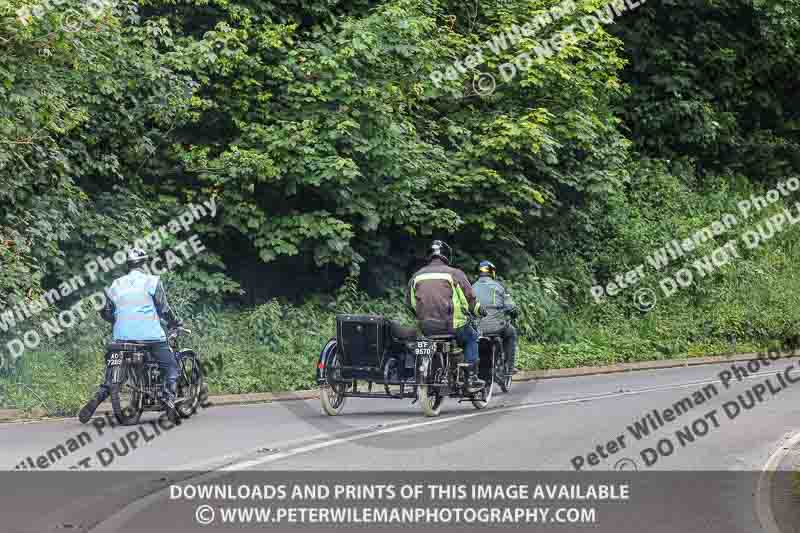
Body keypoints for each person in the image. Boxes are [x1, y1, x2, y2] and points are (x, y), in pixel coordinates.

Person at [78, 248, 183, 424]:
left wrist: (119, 322)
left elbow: (106, 313)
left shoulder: (115, 285)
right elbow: (164, 310)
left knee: (111, 374)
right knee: (171, 366)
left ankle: (96, 399)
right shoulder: (152, 281)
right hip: (151, 337)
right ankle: (168, 399)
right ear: (145, 263)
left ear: (128, 265)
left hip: (122, 337)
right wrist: (175, 323)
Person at [406, 240, 487, 389]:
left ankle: (416, 374)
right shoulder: (455, 274)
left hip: (426, 327)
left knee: (420, 342)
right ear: (446, 256)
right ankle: (471, 377)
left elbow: (410, 304)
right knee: (472, 337)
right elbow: (470, 300)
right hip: (451, 326)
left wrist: (422, 317)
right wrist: (479, 310)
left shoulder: (416, 276)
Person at [472, 260, 519, 373]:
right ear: (492, 273)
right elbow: (511, 307)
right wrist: (514, 313)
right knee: (511, 332)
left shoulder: (471, 288)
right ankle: (509, 367)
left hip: (477, 328)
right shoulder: (499, 287)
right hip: (496, 327)